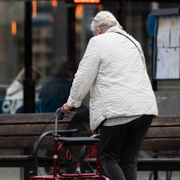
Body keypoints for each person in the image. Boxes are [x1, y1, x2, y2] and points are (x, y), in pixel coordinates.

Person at [61, 11, 158, 180]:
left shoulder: (98, 42)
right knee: (128, 161)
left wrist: (71, 103)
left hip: (117, 111)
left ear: (98, 29)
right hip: (144, 110)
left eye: (93, 32)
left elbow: (84, 76)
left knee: (108, 158)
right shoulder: (133, 41)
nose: (93, 35)